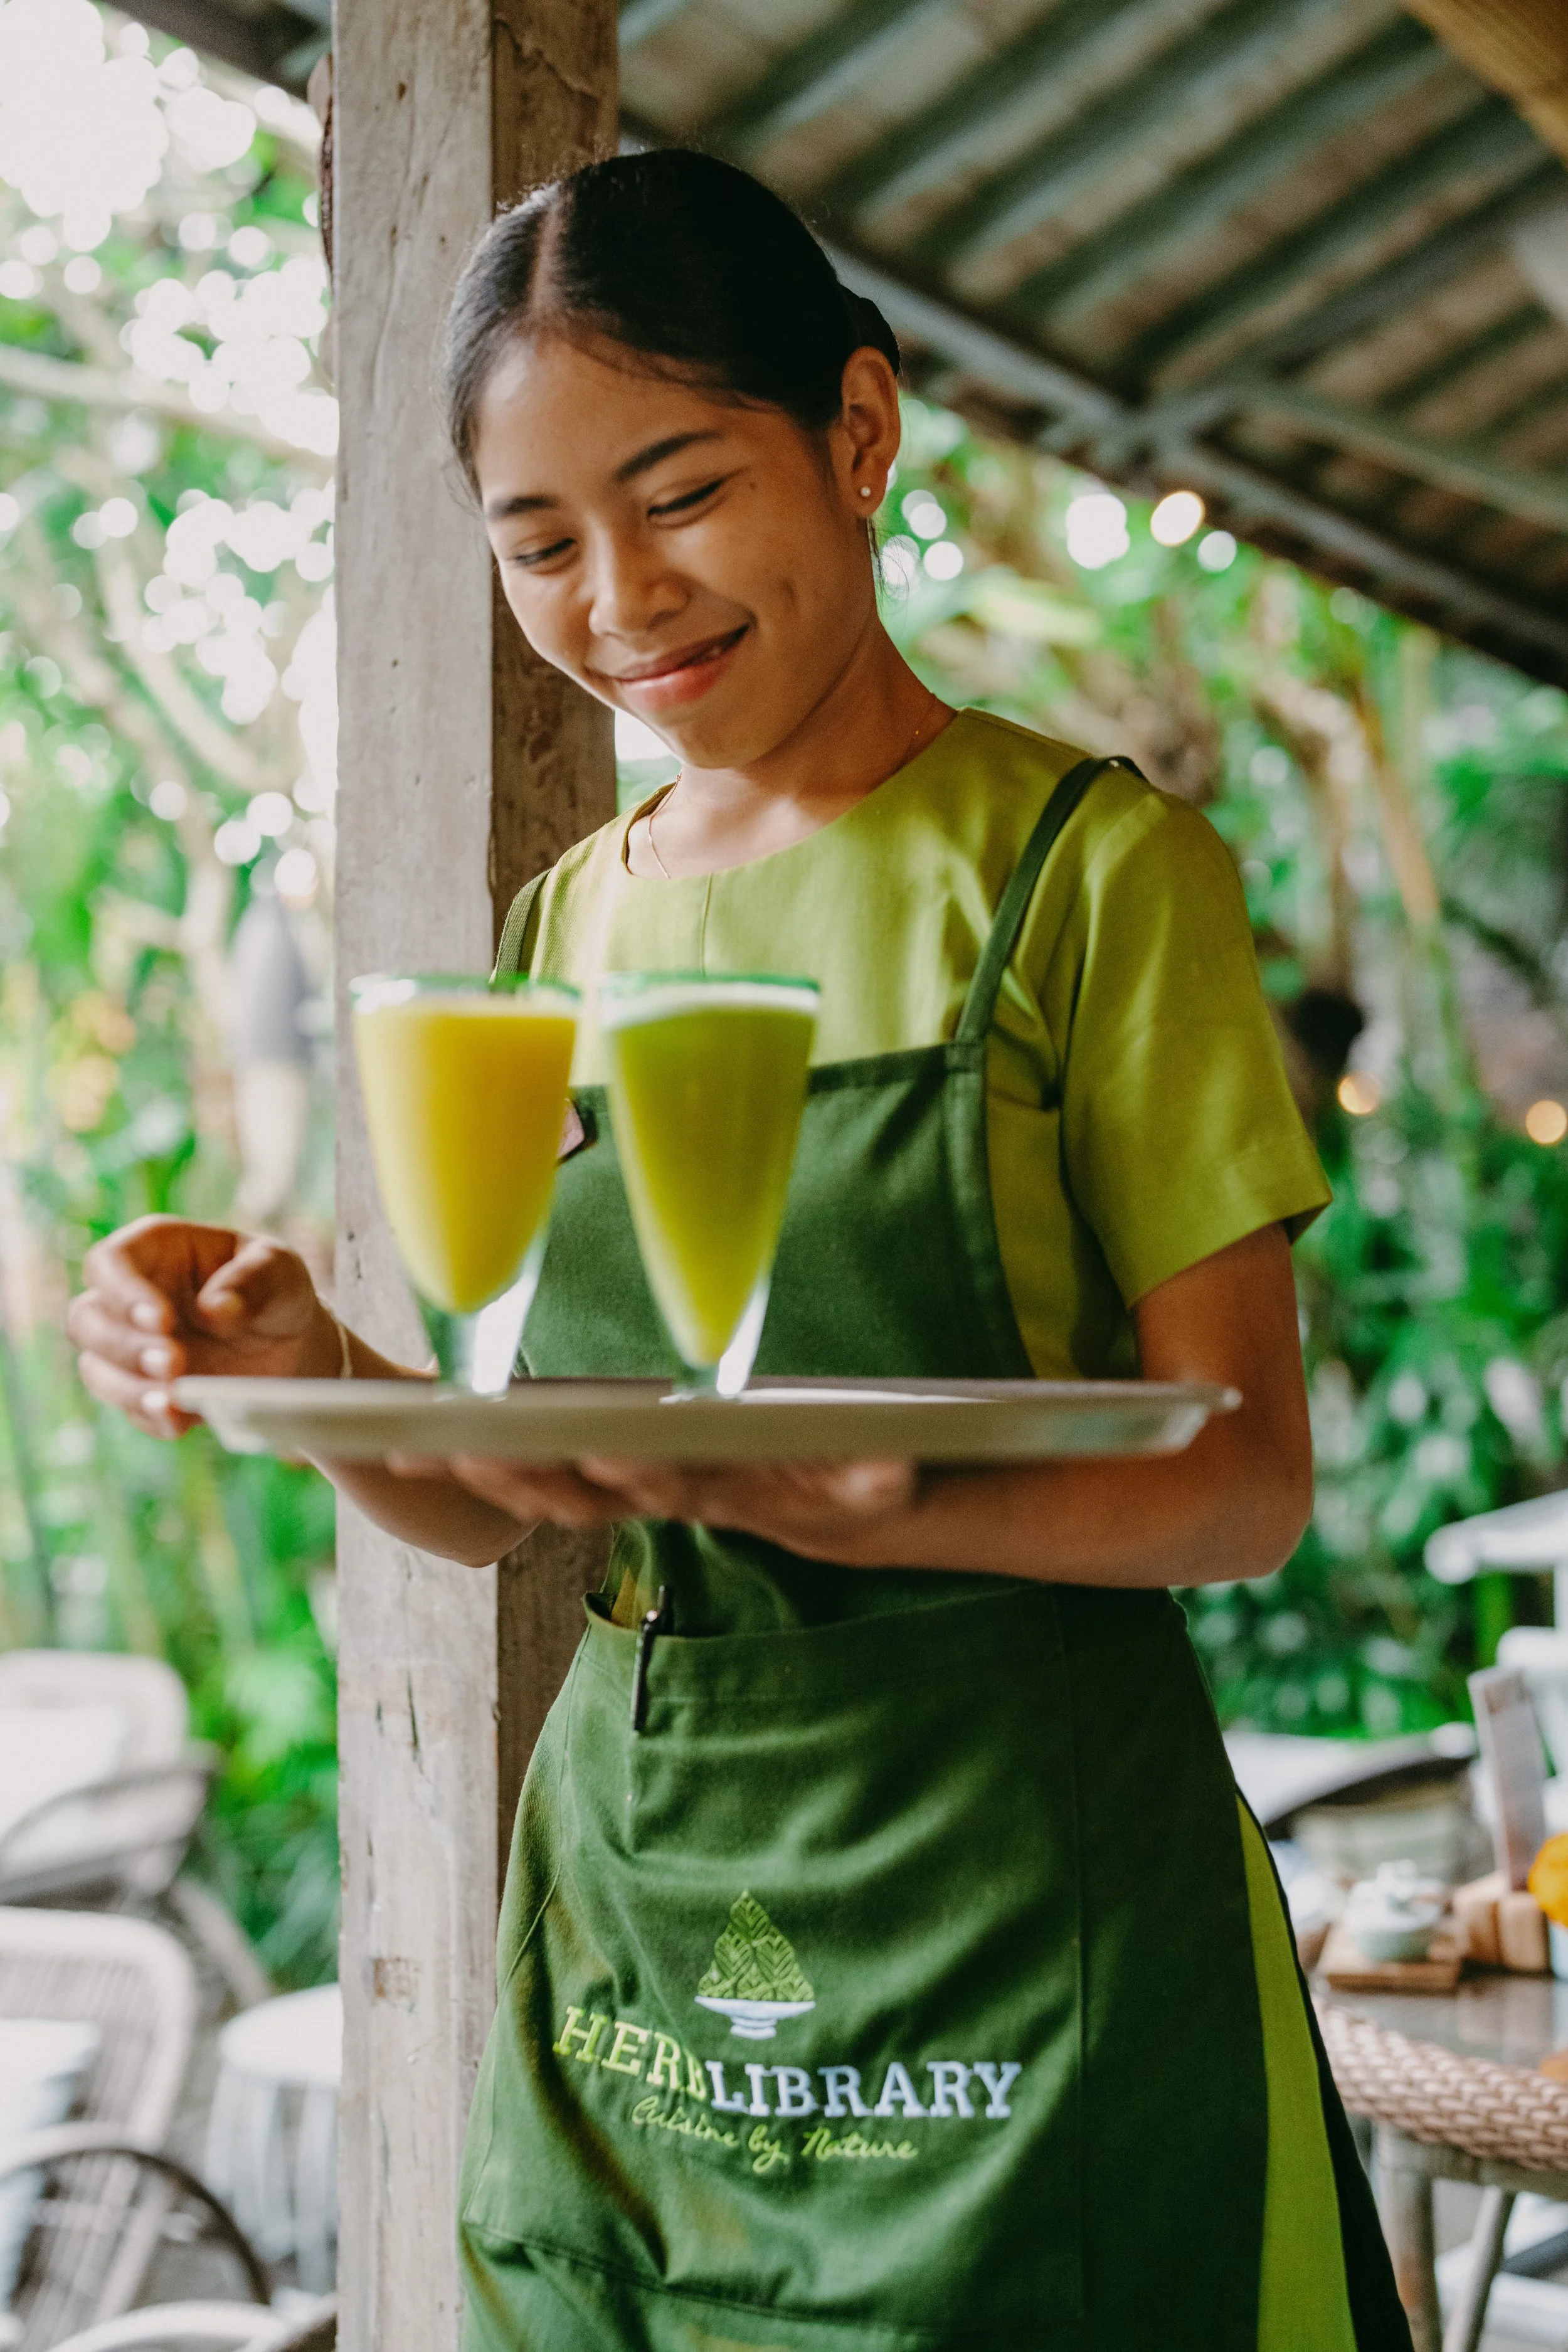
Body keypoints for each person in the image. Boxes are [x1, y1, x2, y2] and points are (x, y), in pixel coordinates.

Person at [70, 150, 1411, 2351]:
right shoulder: (558, 929)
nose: (620, 596)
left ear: (857, 438)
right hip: (642, 1948)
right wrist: (304, 1362)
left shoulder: (1089, 871)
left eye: (681, 491)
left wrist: (882, 1497)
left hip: (1020, 1925)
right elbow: (506, 1486)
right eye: (540, 541)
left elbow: (1240, 1484)